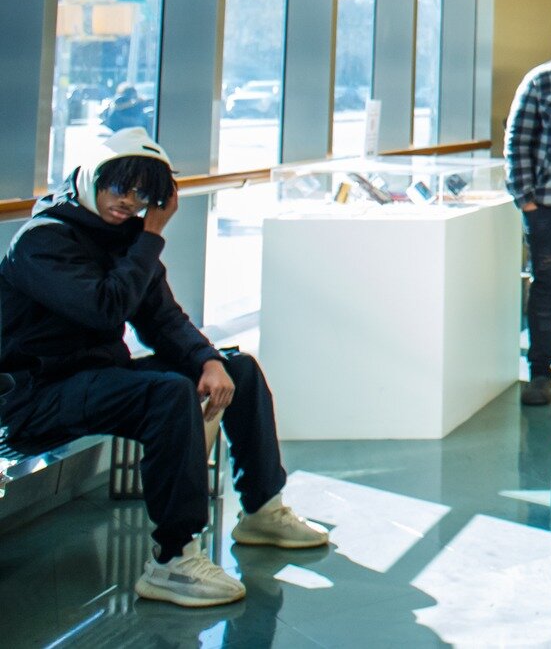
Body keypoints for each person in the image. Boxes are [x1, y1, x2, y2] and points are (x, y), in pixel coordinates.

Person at [0, 130, 327, 608]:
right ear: (90, 180)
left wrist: (208, 361)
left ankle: (261, 509)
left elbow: (162, 319)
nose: (128, 202)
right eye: (118, 188)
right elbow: (104, 310)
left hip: (95, 379)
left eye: (141, 194)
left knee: (240, 369)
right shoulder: (42, 241)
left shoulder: (126, 239)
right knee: (167, 392)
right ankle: (172, 559)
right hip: (36, 395)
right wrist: (151, 235)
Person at [506, 6, 551, 407]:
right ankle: (540, 373)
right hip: (548, 208)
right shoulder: (541, 79)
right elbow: (517, 143)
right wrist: (526, 200)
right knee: (547, 289)